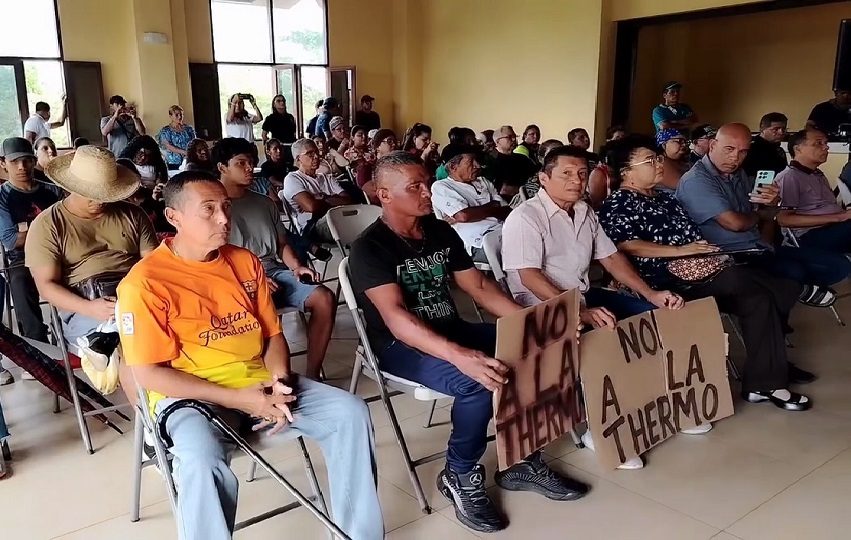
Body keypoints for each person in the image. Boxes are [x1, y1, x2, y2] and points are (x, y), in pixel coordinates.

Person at [117, 171, 383, 540]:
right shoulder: (145, 282)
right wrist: (242, 400)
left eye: (225, 207)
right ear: (173, 217)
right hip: (191, 399)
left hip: (258, 383)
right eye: (207, 210)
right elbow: (148, 374)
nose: (224, 219)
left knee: (351, 413)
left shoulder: (244, 261)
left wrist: (277, 382)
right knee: (199, 459)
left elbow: (273, 335)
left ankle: (358, 535)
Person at [349, 151, 589, 534]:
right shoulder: (370, 247)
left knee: (533, 349)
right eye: (415, 187)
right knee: (478, 380)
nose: (428, 192)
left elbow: (478, 286)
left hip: (449, 329)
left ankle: (521, 460)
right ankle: (458, 474)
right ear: (384, 195)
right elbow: (398, 321)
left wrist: (536, 325)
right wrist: (461, 357)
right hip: (399, 347)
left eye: (427, 182)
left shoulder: (439, 231)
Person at [598, 134, 811, 411]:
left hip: (701, 271)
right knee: (750, 281)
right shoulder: (619, 203)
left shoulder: (666, 199)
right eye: (650, 160)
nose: (659, 164)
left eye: (658, 157)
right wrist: (681, 251)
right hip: (663, 279)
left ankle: (765, 384)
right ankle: (802, 289)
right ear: (626, 172)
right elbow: (627, 245)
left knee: (758, 299)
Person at [27, 145, 158, 403]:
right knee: (130, 347)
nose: (99, 200)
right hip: (84, 305)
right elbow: (46, 287)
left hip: (136, 295)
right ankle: (151, 429)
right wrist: (91, 308)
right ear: (71, 186)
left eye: (105, 193)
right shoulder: (49, 225)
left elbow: (155, 266)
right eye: (92, 194)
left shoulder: (132, 214)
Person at [677, 123, 851, 307]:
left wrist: (771, 204)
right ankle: (790, 291)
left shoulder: (738, 174)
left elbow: (767, 217)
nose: (735, 157)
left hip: (758, 247)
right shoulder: (696, 180)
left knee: (839, 265)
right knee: (794, 271)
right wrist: (762, 214)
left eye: (743, 151)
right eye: (729, 149)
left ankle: (790, 290)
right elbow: (736, 224)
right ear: (712, 145)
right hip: (729, 255)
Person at [502, 144, 681, 318]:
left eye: (582, 174)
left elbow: (611, 258)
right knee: (603, 333)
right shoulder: (526, 217)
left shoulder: (583, 211)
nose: (577, 180)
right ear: (543, 179)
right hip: (543, 304)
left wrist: (651, 294)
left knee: (651, 313)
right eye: (566, 173)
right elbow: (530, 278)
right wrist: (579, 312)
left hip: (582, 295)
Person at [213, 138, 336, 380]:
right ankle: (275, 377)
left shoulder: (264, 203)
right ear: (222, 167)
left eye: (251, 162)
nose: (249, 168)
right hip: (233, 278)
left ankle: (313, 374)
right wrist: (252, 279)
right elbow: (211, 257)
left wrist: (297, 267)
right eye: (241, 163)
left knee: (324, 297)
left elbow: (282, 245)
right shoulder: (213, 207)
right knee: (261, 301)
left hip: (274, 271)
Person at [0, 137, 62, 342]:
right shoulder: (3, 197)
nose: (21, 167)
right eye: (14, 162)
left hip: (60, 253)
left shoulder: (52, 190)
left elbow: (69, 226)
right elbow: (11, 241)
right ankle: (37, 344)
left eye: (26, 160)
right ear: (3, 164)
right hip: (22, 258)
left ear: (34, 161)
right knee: (19, 281)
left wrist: (33, 233)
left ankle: (75, 336)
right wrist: (48, 231)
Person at [776, 128, 851, 254]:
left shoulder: (817, 174)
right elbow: (784, 219)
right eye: (818, 143)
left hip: (833, 229)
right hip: (809, 236)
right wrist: (840, 217)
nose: (826, 147)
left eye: (826, 143)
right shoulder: (790, 177)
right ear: (798, 149)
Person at [431, 146, 509, 262]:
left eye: (476, 161)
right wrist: (493, 206)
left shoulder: (483, 181)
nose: (477, 165)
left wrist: (473, 212)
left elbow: (507, 211)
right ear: (453, 167)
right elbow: (464, 216)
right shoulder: (442, 186)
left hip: (504, 232)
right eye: (471, 162)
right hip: (479, 243)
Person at [282, 138, 353, 243]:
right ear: (298, 159)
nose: (316, 156)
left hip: (338, 219)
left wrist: (323, 198)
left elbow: (348, 201)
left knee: (364, 221)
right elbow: (311, 206)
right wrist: (334, 201)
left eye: (316, 152)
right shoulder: (292, 178)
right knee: (359, 225)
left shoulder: (326, 177)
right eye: (310, 154)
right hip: (313, 227)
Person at [489, 125, 537, 200]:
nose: (514, 139)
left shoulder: (522, 159)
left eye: (515, 136)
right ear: (497, 141)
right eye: (509, 137)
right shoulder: (490, 161)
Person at [742, 112, 788, 178]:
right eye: (775, 129)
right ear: (762, 129)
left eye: (783, 129)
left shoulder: (779, 150)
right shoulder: (751, 149)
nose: (781, 132)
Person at [356, 128, 397, 202]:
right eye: (389, 141)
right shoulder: (366, 169)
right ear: (378, 146)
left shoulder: (397, 166)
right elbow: (373, 197)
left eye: (395, 142)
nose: (394, 144)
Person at [157, 105, 197, 170]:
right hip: (174, 162)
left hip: (189, 160)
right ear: (170, 116)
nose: (180, 117)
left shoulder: (189, 129)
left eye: (181, 114)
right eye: (176, 115)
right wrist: (185, 152)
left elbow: (195, 143)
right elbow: (169, 146)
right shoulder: (165, 131)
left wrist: (189, 154)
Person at [655, 128, 690, 193]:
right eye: (679, 141)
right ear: (664, 145)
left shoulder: (683, 161)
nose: (684, 145)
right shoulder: (660, 162)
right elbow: (684, 186)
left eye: (685, 142)